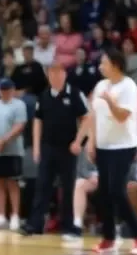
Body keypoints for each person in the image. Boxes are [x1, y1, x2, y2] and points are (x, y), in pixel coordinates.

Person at [87, 47, 137, 255]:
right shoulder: (100, 86)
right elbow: (94, 116)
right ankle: (109, 238)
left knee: (116, 190)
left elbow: (123, 116)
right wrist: (91, 142)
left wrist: (111, 101)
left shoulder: (129, 86)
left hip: (124, 146)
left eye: (104, 62)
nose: (100, 66)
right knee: (103, 193)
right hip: (103, 145)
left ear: (115, 64)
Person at [21, 63, 88, 237]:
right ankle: (34, 224)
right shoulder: (43, 96)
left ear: (64, 74)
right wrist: (36, 147)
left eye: (58, 73)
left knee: (67, 187)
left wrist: (78, 141)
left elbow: (87, 118)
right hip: (48, 147)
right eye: (51, 73)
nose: (55, 77)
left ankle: (68, 225)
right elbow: (38, 121)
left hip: (67, 149)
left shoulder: (74, 93)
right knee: (42, 186)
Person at [0, 79, 26, 231]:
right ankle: (1, 215)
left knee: (12, 183)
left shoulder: (19, 105)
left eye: (7, 89)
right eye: (2, 89)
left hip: (12, 150)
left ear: (12, 89)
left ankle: (15, 215)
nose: (5, 92)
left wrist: (3, 140)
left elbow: (20, 125)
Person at [70, 152, 99, 240]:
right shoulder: (84, 149)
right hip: (91, 179)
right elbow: (81, 169)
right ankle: (77, 224)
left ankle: (116, 226)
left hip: (111, 177)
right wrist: (91, 176)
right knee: (79, 184)